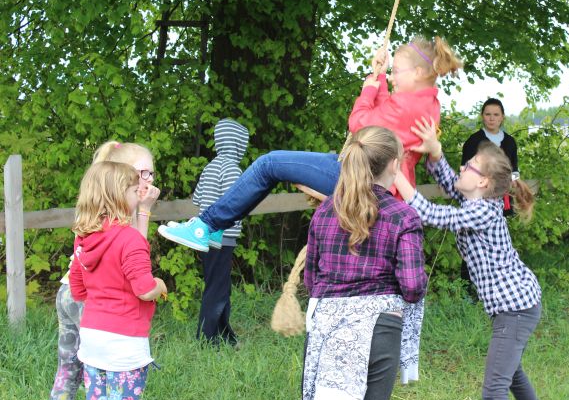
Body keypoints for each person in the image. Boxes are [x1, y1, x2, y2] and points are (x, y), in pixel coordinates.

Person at [158, 36, 462, 252]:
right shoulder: (424, 103)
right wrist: (379, 77)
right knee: (272, 167)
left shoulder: (409, 107)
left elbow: (359, 124)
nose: (393, 77)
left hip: (359, 178)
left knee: (269, 164)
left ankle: (206, 225)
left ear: (420, 72)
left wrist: (369, 88)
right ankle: (214, 224)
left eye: (396, 71)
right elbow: (386, 115)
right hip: (370, 178)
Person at [394, 117, 545, 400]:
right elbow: (452, 183)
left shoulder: (481, 211)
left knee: (493, 392)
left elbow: (431, 214)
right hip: (518, 306)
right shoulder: (475, 200)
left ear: (483, 182)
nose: (463, 167)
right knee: (512, 373)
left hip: (515, 309)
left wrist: (396, 175)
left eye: (470, 165)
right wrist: (435, 152)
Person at [301, 126, 428, 400]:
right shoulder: (403, 216)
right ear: (395, 165)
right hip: (380, 329)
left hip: (330, 327)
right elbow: (412, 287)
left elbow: (312, 281)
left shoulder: (324, 212)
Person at [48, 142, 160, 400]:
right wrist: (158, 286)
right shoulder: (128, 224)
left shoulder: (85, 231)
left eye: (150, 175)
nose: (146, 182)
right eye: (142, 174)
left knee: (80, 385)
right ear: (122, 181)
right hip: (117, 329)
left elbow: (78, 286)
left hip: (83, 311)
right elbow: (138, 271)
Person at [193, 118, 250, 346]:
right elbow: (234, 204)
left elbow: (197, 199)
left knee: (216, 285)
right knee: (218, 289)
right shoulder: (232, 169)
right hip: (222, 237)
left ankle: (224, 333)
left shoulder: (211, 167)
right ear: (238, 144)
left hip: (206, 236)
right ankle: (207, 338)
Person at [460, 97, 519, 292]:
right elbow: (464, 169)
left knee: (497, 244)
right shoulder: (474, 141)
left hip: (500, 199)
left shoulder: (509, 142)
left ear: (502, 117)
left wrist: (513, 185)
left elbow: (514, 170)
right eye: (488, 114)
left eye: (496, 115)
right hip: (478, 198)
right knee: (473, 243)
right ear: (482, 116)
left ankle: (495, 285)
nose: (491, 118)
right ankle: (469, 289)